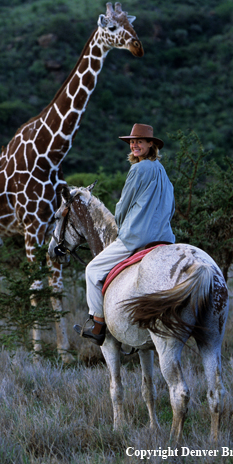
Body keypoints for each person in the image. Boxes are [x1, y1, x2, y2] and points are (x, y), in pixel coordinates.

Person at [73, 123, 175, 346]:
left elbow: (122, 207)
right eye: (132, 141)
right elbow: (172, 207)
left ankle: (98, 324)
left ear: (151, 144)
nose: (134, 144)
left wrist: (122, 226)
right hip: (165, 239)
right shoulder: (163, 172)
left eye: (140, 141)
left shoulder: (138, 169)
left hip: (136, 238)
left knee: (92, 270)